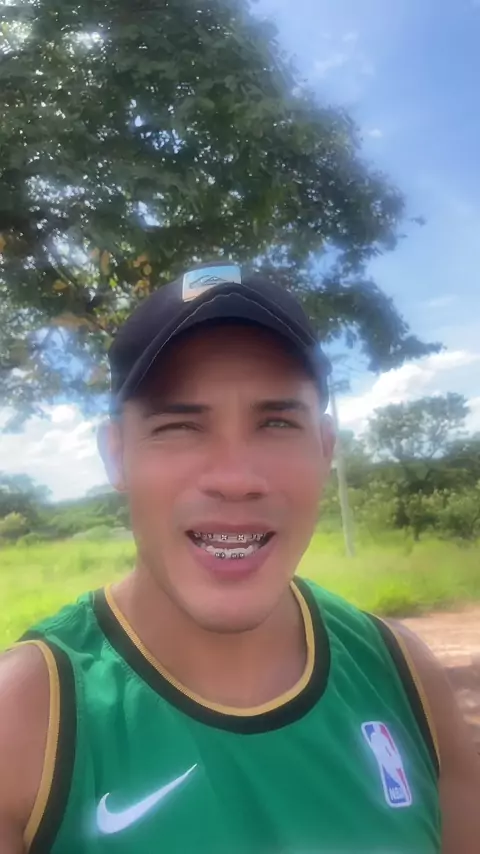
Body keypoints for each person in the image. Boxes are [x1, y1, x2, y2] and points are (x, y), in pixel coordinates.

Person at [0, 263, 479, 854]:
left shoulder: (402, 675)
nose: (235, 478)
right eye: (179, 425)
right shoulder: (28, 721)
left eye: (276, 422)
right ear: (117, 455)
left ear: (324, 448)